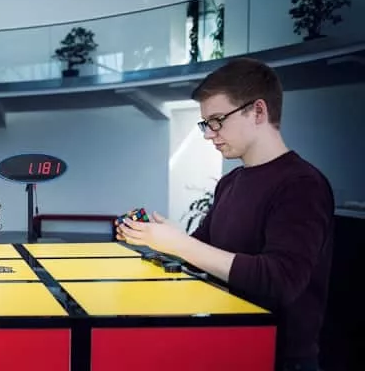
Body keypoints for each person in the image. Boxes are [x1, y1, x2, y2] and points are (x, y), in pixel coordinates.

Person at [118, 58, 334, 371]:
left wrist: (181, 244)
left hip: (280, 358)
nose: (209, 134)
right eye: (206, 123)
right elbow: (203, 253)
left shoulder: (302, 184)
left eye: (217, 120)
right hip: (229, 346)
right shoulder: (230, 182)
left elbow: (281, 281)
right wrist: (160, 238)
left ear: (258, 111)